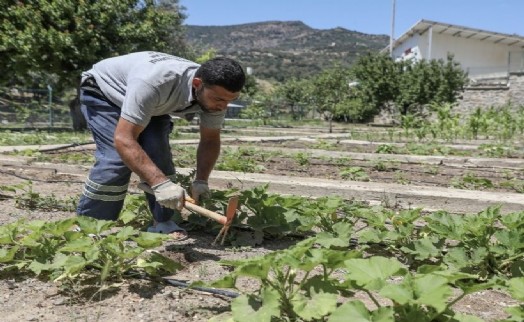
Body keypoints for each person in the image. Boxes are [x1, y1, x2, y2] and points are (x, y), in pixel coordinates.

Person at [77, 51, 246, 240]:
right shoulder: (154, 83)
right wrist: (159, 184)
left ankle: (163, 221)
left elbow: (210, 139)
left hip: (154, 103)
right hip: (106, 92)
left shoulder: (214, 94)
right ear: (197, 84)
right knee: (116, 160)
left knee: (159, 155)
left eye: (230, 101)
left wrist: (201, 180)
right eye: (219, 100)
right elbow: (124, 139)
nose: (223, 107)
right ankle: (89, 227)